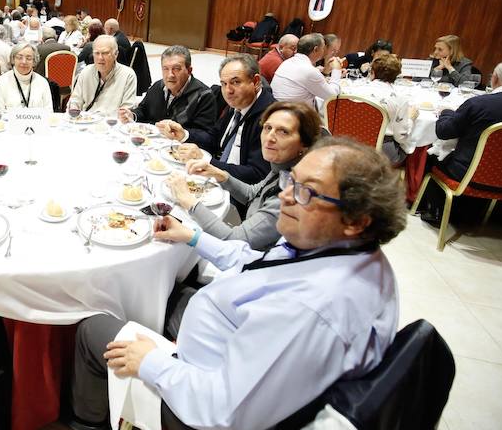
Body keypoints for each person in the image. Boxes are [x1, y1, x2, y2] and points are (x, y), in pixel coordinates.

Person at [70, 137, 405, 430]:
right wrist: (193, 236)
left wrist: (150, 362)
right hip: (229, 343)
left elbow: (223, 412)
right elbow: (257, 262)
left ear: (356, 220)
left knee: (91, 328)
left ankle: (87, 422)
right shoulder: (345, 251)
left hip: (195, 406)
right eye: (291, 182)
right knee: (172, 292)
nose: (285, 197)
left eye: (306, 193)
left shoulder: (313, 311)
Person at [167, 101, 321, 250]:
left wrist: (188, 200)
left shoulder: (291, 192)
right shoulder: (284, 168)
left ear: (304, 144)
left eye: (283, 131)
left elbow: (235, 241)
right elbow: (254, 194)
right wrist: (219, 174)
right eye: (268, 128)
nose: (270, 137)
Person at [169, 54, 276, 184]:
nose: (228, 90)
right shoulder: (237, 104)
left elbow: (257, 174)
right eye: (224, 84)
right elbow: (214, 138)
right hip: (219, 175)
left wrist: (208, 162)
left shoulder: (271, 118)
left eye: (236, 82)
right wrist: (184, 134)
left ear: (256, 81)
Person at [120, 45, 218, 147]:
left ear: (189, 70)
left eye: (176, 69)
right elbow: (143, 110)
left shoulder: (204, 96)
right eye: (165, 69)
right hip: (151, 145)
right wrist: (132, 115)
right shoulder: (158, 86)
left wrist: (183, 133)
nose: (170, 75)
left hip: (180, 152)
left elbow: (208, 138)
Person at [434, 58, 502, 180]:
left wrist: (446, 112)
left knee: (431, 158)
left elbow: (444, 132)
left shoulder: (479, 104)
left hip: (469, 174)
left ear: (495, 78)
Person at [364, 54, 418, 164]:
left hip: (347, 146)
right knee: (414, 150)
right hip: (379, 153)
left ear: (372, 72)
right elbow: (401, 137)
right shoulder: (400, 100)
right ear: (396, 76)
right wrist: (411, 119)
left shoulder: (352, 91)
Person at [69, 35, 137, 116]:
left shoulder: (128, 75)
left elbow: (127, 108)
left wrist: (125, 115)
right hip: (86, 121)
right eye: (97, 53)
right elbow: (76, 99)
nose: (100, 58)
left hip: (112, 124)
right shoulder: (86, 72)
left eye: (105, 53)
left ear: (116, 54)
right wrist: (73, 107)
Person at [271, 32, 342, 108]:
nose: (324, 51)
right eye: (323, 48)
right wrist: (336, 70)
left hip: (277, 109)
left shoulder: (287, 62)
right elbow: (333, 96)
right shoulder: (309, 70)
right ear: (316, 49)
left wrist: (325, 71)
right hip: (293, 114)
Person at [0, 43, 53, 112]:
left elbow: (49, 112)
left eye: (29, 58)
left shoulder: (42, 82)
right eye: (19, 57)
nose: (24, 62)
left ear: (34, 61)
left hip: (36, 122)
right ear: (13, 59)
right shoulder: (2, 81)